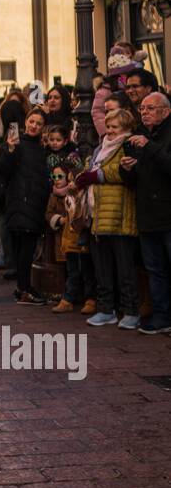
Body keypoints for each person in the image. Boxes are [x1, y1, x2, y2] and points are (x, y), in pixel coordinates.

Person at [76, 108, 140, 329]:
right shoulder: (100, 147)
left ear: (126, 128)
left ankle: (131, 311)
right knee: (101, 268)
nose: (110, 131)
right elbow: (91, 165)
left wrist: (97, 175)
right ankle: (106, 309)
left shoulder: (128, 145)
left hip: (119, 214)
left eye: (115, 127)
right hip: (98, 215)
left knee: (125, 269)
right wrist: (84, 174)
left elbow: (123, 171)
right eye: (109, 126)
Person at [121, 91, 171, 335]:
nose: (144, 112)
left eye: (150, 108)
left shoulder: (161, 137)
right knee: (154, 269)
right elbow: (132, 180)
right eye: (142, 108)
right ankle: (162, 316)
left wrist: (150, 147)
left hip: (168, 213)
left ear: (165, 111)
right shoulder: (138, 136)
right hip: (147, 214)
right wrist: (127, 169)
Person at [0, 106, 50, 305]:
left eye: (39, 124)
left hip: (33, 201)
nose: (34, 126)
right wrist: (9, 150)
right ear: (26, 121)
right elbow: (2, 169)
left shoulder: (41, 146)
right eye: (32, 122)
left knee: (25, 249)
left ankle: (23, 287)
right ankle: (24, 289)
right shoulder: (17, 144)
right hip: (21, 201)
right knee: (24, 248)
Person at [46, 158, 96, 315]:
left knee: (87, 271)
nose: (58, 181)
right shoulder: (56, 196)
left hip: (81, 239)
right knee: (72, 270)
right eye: (54, 177)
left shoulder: (82, 196)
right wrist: (59, 220)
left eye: (62, 177)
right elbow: (48, 214)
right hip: (68, 239)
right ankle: (68, 299)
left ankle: (90, 299)